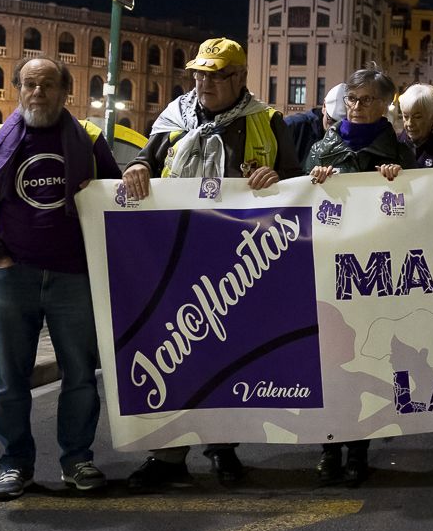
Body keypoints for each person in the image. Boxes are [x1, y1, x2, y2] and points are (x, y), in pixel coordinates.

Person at [120, 38, 302, 490]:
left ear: (239, 78)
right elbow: (147, 157)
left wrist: (276, 180)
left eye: (215, 75)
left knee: (224, 355)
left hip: (237, 262)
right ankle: (167, 456)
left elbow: (298, 184)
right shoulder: (174, 116)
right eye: (198, 74)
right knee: (173, 356)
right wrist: (138, 167)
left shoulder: (268, 121)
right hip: (175, 256)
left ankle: (222, 448)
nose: (203, 83)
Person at [0, 57, 122, 501]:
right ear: (17, 90)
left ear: (66, 91)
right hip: (14, 277)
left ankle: (77, 459)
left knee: (81, 376)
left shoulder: (87, 140)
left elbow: (116, 198)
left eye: (48, 85)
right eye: (29, 84)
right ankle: (14, 465)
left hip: (74, 278)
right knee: (10, 378)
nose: (38, 92)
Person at [308, 69, 412, 486]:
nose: (358, 105)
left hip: (374, 274)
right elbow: (299, 201)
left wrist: (399, 182)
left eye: (368, 99)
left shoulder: (400, 153)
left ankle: (359, 450)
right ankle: (329, 448)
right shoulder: (321, 149)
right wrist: (313, 182)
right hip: (328, 270)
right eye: (353, 98)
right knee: (329, 361)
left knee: (368, 356)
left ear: (385, 104)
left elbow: (417, 208)